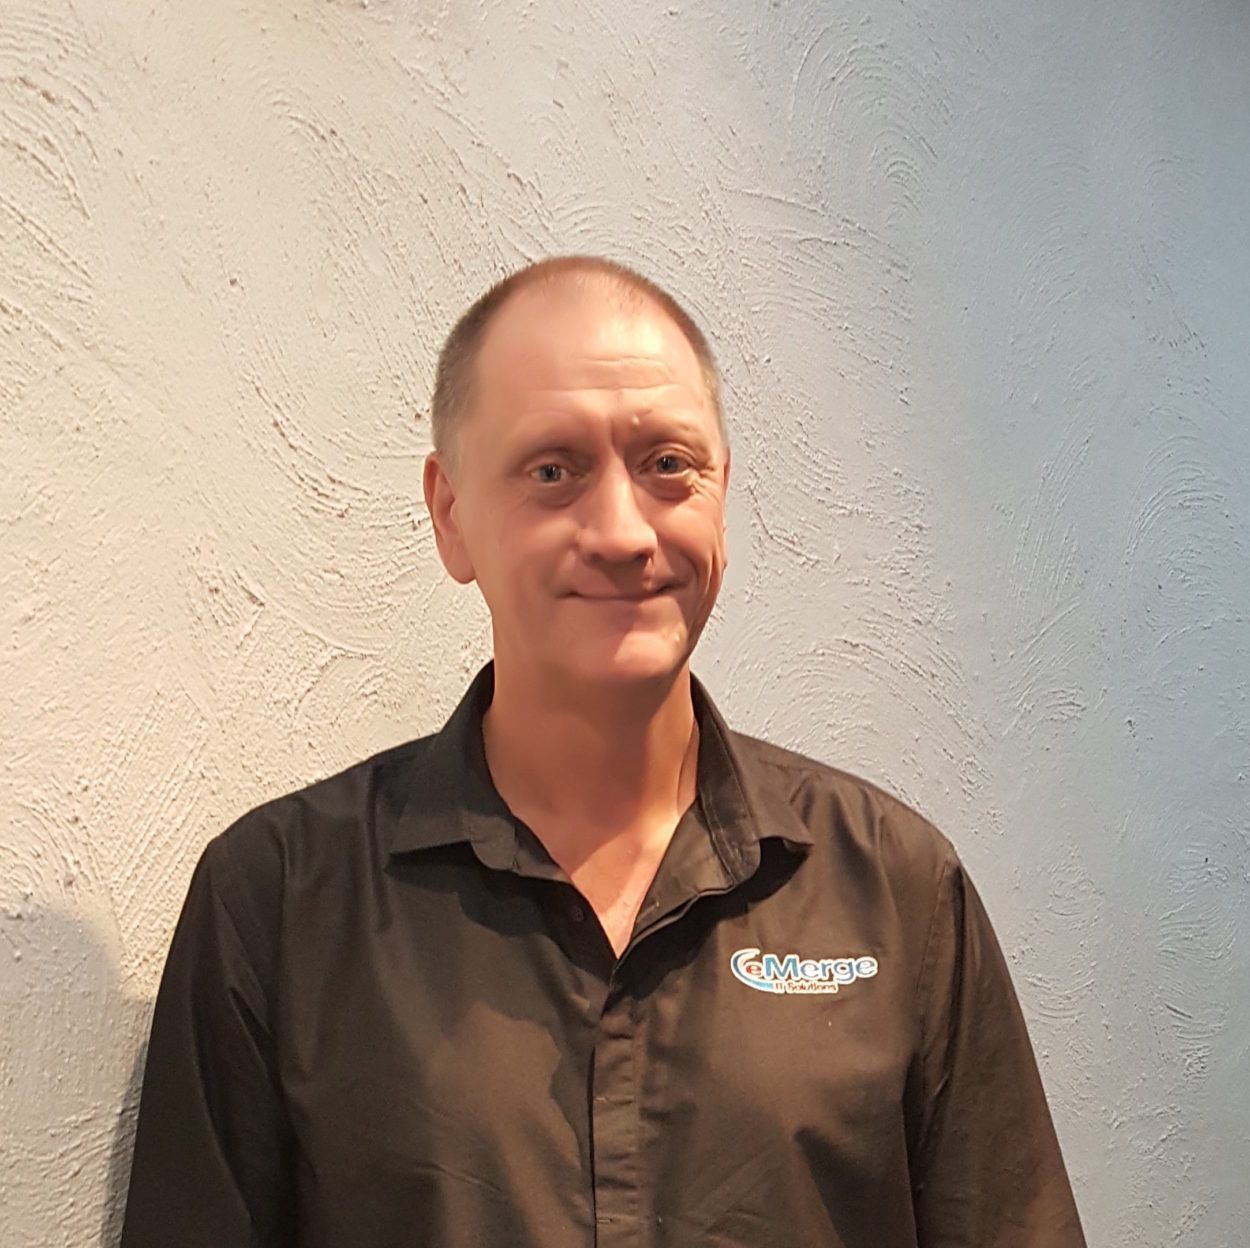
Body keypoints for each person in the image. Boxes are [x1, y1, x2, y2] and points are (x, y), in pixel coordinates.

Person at [119, 255, 1086, 1247]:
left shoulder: (895, 888)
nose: (623, 532)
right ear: (451, 515)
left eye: (668, 464)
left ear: (720, 495)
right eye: (553, 470)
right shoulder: (277, 903)